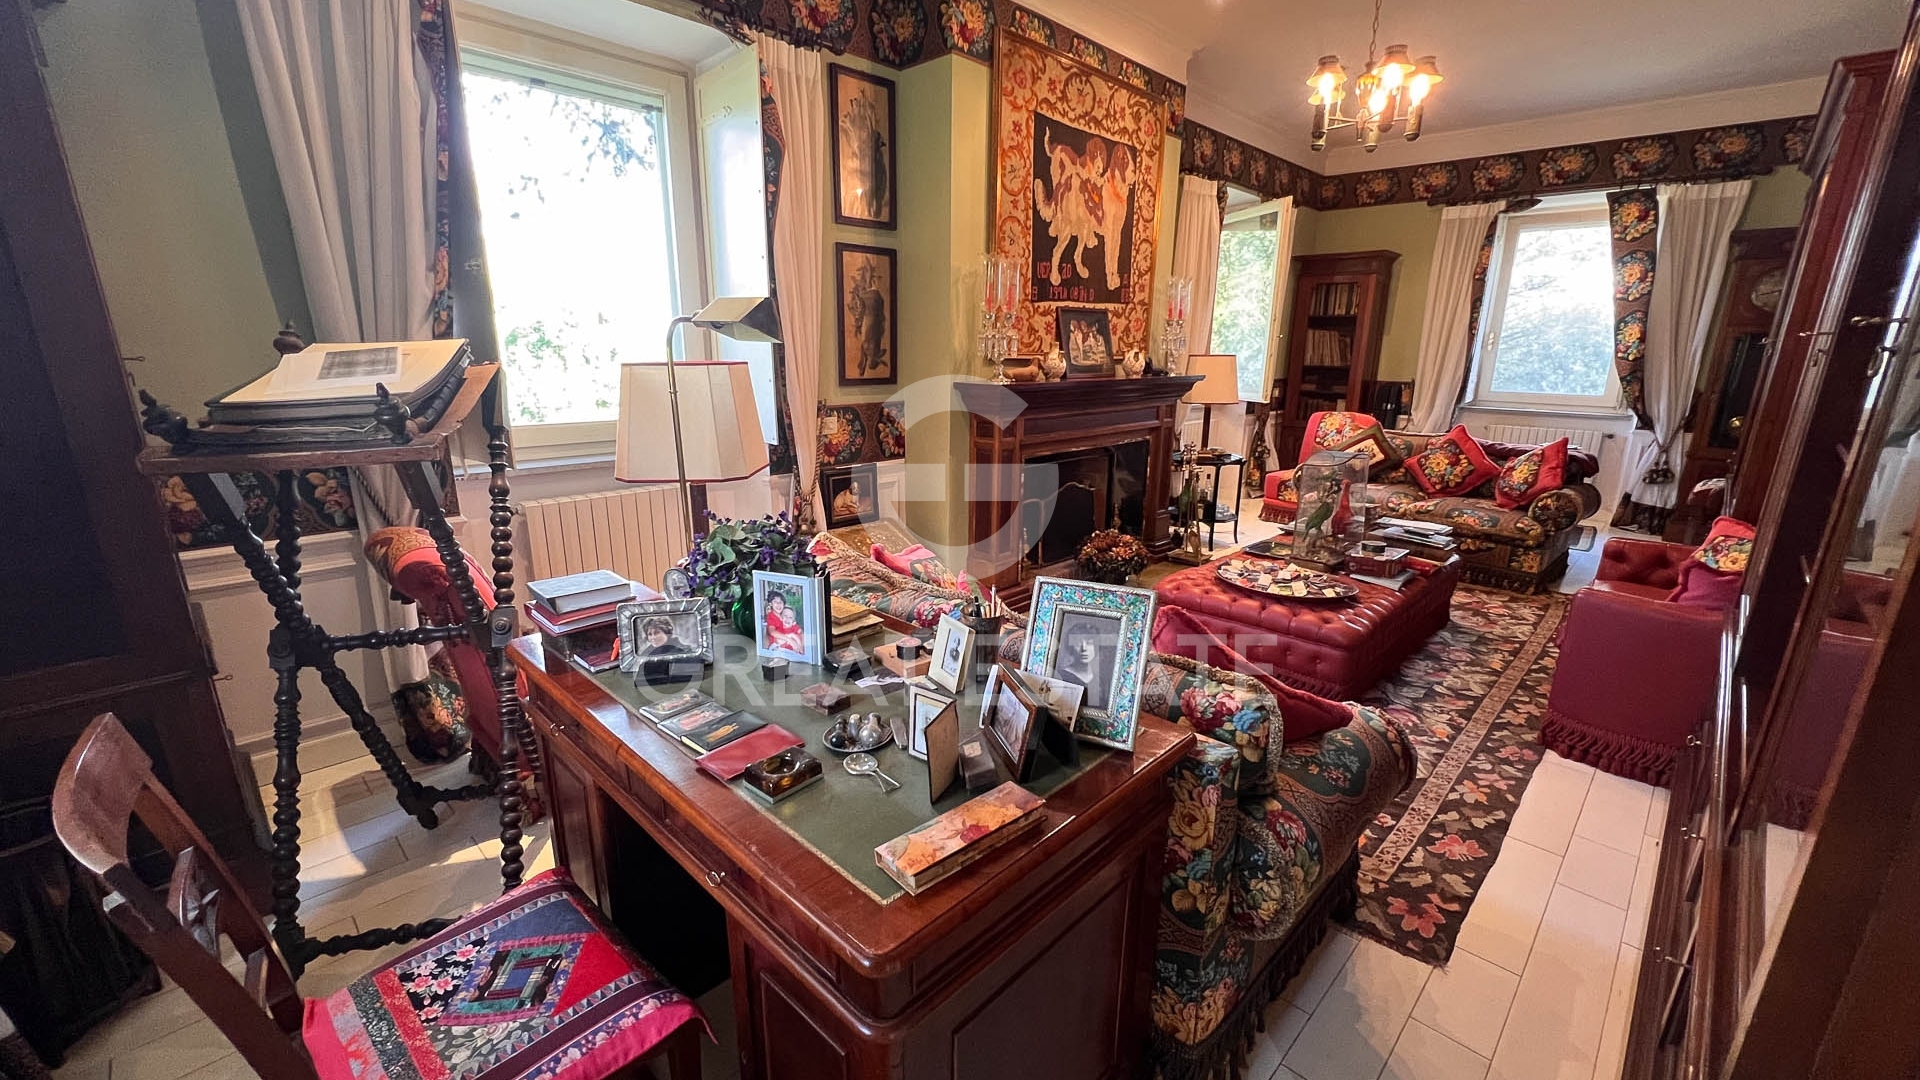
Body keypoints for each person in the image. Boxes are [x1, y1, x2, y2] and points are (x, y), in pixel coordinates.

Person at [1053, 615, 1113, 711]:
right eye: (1078, 643)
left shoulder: (1102, 681)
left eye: (1089, 643)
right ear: (1071, 647)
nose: (1084, 649)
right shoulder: (1061, 676)